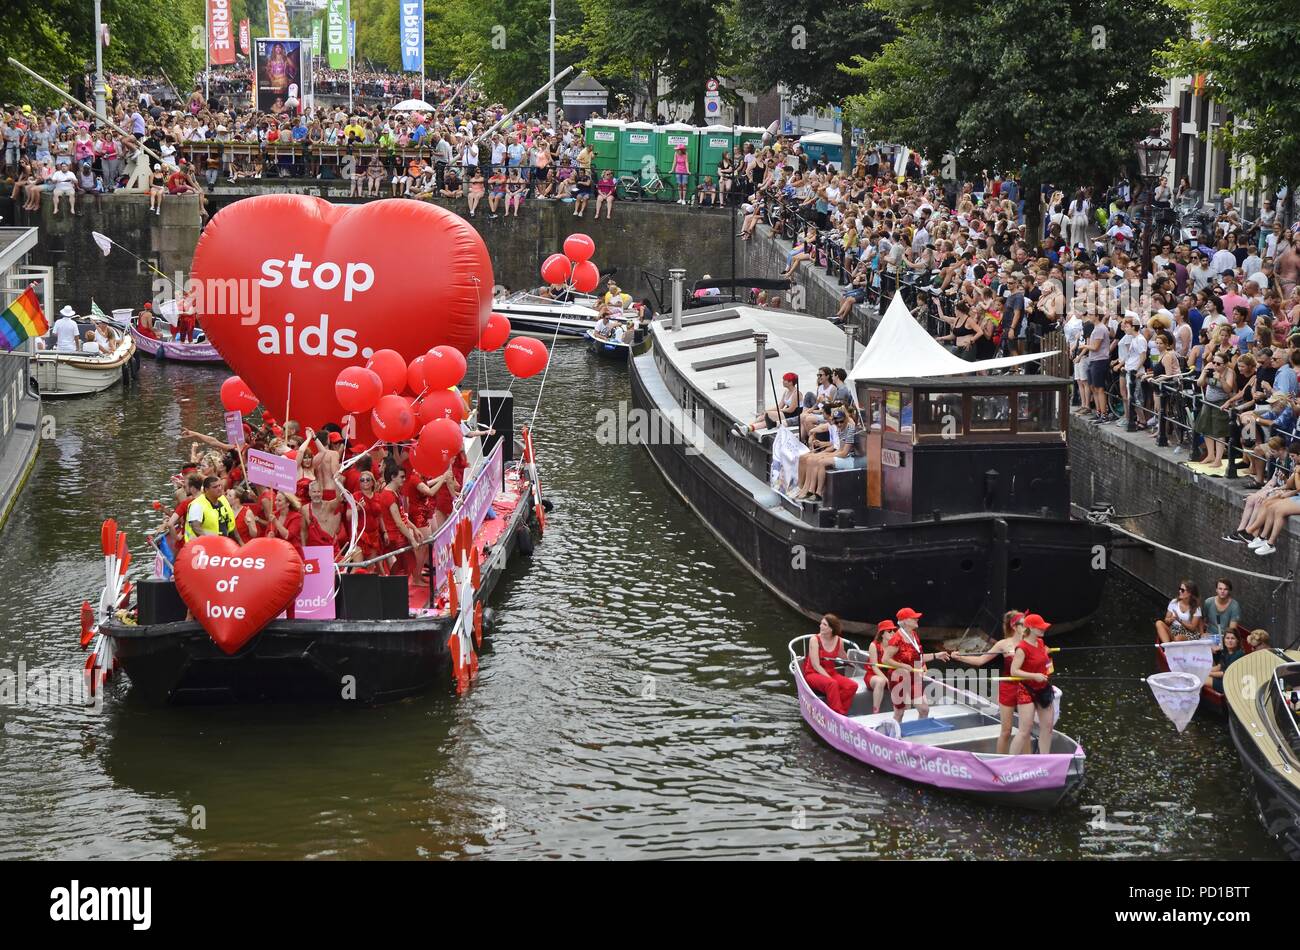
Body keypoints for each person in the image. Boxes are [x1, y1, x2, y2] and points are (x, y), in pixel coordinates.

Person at [949, 609, 1026, 754]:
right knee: (1006, 731)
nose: (1027, 627)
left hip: (1027, 688)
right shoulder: (1003, 644)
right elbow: (980, 661)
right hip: (1008, 688)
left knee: (1025, 731)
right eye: (1024, 624)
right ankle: (999, 762)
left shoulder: (1031, 642)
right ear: (1015, 626)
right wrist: (960, 657)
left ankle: (1030, 762)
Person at [880, 607, 949, 725]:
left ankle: (920, 734)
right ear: (905, 621)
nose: (917, 619)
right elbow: (885, 659)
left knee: (924, 709)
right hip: (899, 678)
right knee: (899, 712)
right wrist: (903, 666)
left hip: (914, 677)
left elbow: (919, 657)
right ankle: (895, 738)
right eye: (914, 618)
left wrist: (936, 655)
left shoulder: (914, 635)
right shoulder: (896, 639)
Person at [1008, 613, 1055, 755]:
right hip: (1026, 690)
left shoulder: (1040, 643)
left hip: (1043, 689)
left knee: (1047, 727)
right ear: (1031, 628)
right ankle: (1009, 763)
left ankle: (1044, 760)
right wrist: (1034, 676)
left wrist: (1048, 662)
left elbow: (1046, 663)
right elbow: (1013, 671)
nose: (1043, 630)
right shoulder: (1022, 648)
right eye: (1040, 628)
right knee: (1025, 730)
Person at [801, 613, 858, 715]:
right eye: (821, 623)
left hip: (831, 672)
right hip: (813, 673)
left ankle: (841, 712)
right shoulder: (814, 640)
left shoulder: (839, 641)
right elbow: (815, 665)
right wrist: (829, 678)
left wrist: (850, 662)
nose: (820, 626)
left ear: (831, 629)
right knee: (832, 684)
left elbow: (842, 655)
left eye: (824, 625)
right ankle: (836, 712)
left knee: (852, 685)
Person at [185, 475, 238, 542]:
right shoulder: (197, 505)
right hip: (199, 547)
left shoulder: (223, 499)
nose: (219, 488)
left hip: (223, 543)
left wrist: (240, 543)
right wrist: (210, 543)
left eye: (219, 486)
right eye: (215, 487)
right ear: (206, 490)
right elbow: (195, 527)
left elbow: (231, 524)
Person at [1207, 627, 1245, 693]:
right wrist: (1204, 670)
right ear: (1224, 640)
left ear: (1237, 640)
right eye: (1227, 638)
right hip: (1222, 678)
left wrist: (1208, 673)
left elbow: (1225, 674)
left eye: (1233, 638)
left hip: (1230, 683)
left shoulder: (1239, 654)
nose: (1229, 641)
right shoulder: (1225, 651)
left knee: (1203, 680)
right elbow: (1219, 667)